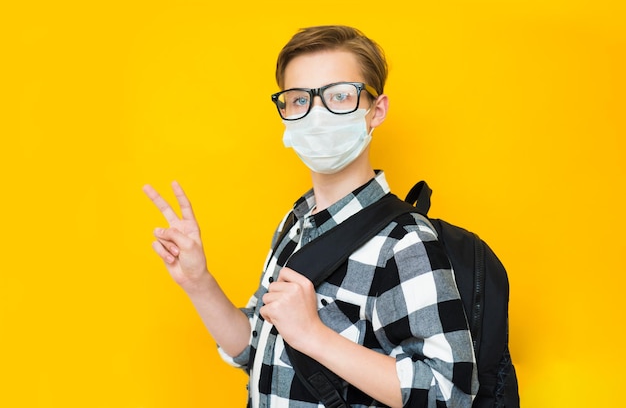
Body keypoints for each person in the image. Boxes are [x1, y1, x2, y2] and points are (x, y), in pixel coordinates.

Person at [144, 25, 478, 407]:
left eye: (339, 96)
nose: (316, 115)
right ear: (285, 111)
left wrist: (313, 335)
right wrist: (198, 282)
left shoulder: (404, 243)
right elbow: (255, 349)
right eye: (300, 100)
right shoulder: (295, 224)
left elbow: (448, 394)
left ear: (376, 110)